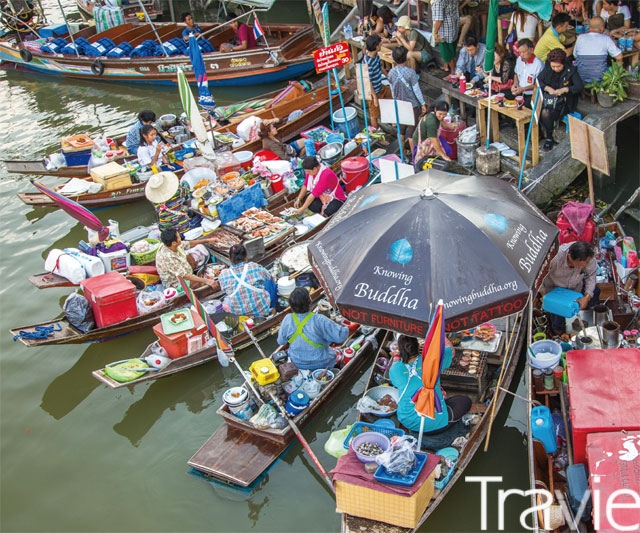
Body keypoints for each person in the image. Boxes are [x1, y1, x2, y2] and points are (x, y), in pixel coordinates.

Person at [389, 335, 471, 433]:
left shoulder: (395, 368)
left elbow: (397, 377)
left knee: (446, 401)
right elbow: (450, 350)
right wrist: (440, 331)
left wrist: (397, 357)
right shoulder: (431, 360)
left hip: (407, 420)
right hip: (434, 425)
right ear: (418, 346)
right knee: (465, 401)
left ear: (400, 350)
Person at [277, 288, 349, 371]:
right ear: (309, 302)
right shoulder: (320, 320)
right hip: (322, 363)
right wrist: (346, 327)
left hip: (297, 363)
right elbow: (341, 337)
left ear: (291, 305)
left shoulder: (287, 319)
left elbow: (281, 341)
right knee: (338, 351)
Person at [539, 241, 599, 334]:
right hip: (554, 290)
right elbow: (539, 277)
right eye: (581, 264)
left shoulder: (588, 258)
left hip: (575, 287)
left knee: (595, 293)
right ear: (570, 257)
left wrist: (587, 297)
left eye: (586, 264)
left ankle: (581, 312)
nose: (584, 266)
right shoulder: (554, 258)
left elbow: (591, 275)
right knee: (558, 322)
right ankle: (560, 333)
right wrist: (545, 296)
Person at [536, 48, 583, 150]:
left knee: (545, 112)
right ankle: (539, 132)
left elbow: (579, 86)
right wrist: (547, 88)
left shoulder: (571, 70)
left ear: (563, 63)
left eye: (558, 66)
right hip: (549, 97)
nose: (556, 69)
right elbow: (539, 80)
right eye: (553, 66)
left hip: (564, 101)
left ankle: (549, 137)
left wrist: (565, 89)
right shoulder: (548, 68)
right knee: (538, 108)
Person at [388, 46, 427, 156]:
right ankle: (414, 156)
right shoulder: (411, 72)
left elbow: (392, 90)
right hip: (412, 106)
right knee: (412, 133)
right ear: (405, 58)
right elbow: (416, 90)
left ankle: (403, 152)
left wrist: (395, 101)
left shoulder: (391, 73)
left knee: (401, 131)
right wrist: (423, 103)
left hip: (399, 105)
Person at [217, 244, 275, 318]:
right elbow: (269, 276)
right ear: (246, 257)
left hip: (238, 314)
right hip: (261, 310)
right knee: (270, 283)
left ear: (230, 259)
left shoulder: (223, 274)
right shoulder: (254, 266)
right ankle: (273, 307)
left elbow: (224, 290)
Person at [155, 227, 220, 290]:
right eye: (179, 237)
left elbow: (188, 244)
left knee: (191, 257)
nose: (181, 238)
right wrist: (206, 281)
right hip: (176, 283)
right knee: (210, 286)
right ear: (174, 243)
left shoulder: (171, 245)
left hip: (183, 270)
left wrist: (207, 240)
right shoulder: (168, 258)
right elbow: (184, 275)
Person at [574, 16, 623, 83]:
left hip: (581, 78)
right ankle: (616, 81)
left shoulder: (580, 38)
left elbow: (575, 56)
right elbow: (619, 57)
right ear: (602, 27)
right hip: (600, 78)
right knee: (613, 65)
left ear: (589, 26)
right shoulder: (606, 39)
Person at [361, 33, 391, 129]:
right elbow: (368, 81)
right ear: (376, 46)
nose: (381, 45)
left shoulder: (376, 56)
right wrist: (374, 97)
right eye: (380, 44)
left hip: (380, 86)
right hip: (372, 92)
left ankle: (391, 120)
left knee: (392, 96)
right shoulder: (367, 62)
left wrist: (388, 76)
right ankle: (376, 132)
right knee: (374, 114)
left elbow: (380, 67)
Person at [512, 39, 544, 108]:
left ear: (531, 50)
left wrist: (523, 89)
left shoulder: (538, 64)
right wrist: (515, 84)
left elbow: (537, 85)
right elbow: (516, 73)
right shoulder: (519, 60)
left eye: (524, 52)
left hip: (532, 95)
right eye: (520, 52)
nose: (521, 55)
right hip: (519, 92)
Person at [432, 0, 460, 73]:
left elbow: (439, 20)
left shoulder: (438, 2)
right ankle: (446, 66)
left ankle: (453, 71)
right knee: (451, 50)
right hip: (453, 27)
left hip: (444, 31)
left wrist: (435, 33)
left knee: (447, 54)